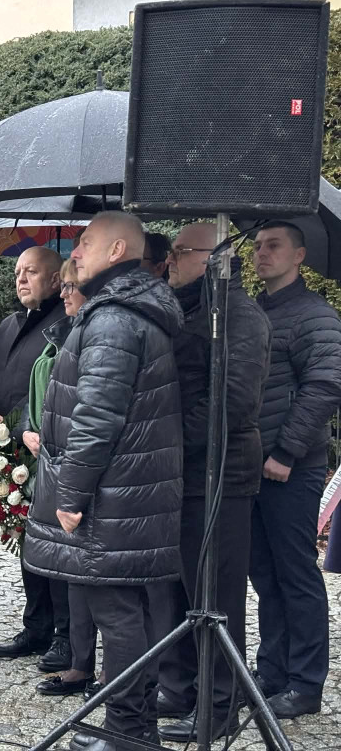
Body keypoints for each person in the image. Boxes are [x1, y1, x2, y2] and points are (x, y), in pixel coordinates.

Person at [23, 211, 184, 751]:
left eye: (86, 243)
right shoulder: (124, 311)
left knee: (117, 616)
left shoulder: (114, 319)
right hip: (128, 493)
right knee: (125, 613)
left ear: (117, 252)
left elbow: (97, 414)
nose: (75, 252)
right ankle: (134, 730)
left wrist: (70, 493)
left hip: (113, 498)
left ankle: (129, 734)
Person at [155, 223, 271, 742]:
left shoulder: (239, 315)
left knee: (217, 596)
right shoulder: (186, 308)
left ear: (216, 257)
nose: (171, 259)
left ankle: (219, 706)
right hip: (184, 472)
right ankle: (180, 689)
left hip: (222, 474)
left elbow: (232, 402)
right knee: (181, 590)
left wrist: (173, 441)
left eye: (182, 251)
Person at [248, 221, 341, 719]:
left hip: (291, 467)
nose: (262, 254)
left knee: (295, 575)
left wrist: (285, 453)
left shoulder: (315, 317)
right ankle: (271, 672)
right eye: (259, 247)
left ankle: (305, 685)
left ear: (300, 255)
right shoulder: (257, 312)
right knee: (264, 575)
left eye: (274, 246)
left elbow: (325, 386)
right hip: (253, 466)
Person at [0, 246, 71, 672]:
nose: (20, 279)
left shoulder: (64, 324)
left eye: (31, 272)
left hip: (43, 449)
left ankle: (67, 637)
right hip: (9, 447)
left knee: (56, 547)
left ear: (54, 279)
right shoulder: (11, 324)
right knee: (28, 543)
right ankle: (36, 625)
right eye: (17, 272)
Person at [26, 259, 97, 698]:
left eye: (73, 286)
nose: (65, 294)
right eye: (65, 286)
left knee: (96, 579)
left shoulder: (97, 334)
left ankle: (114, 674)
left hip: (83, 469)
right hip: (54, 462)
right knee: (70, 571)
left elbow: (93, 412)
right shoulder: (61, 336)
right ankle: (78, 658)